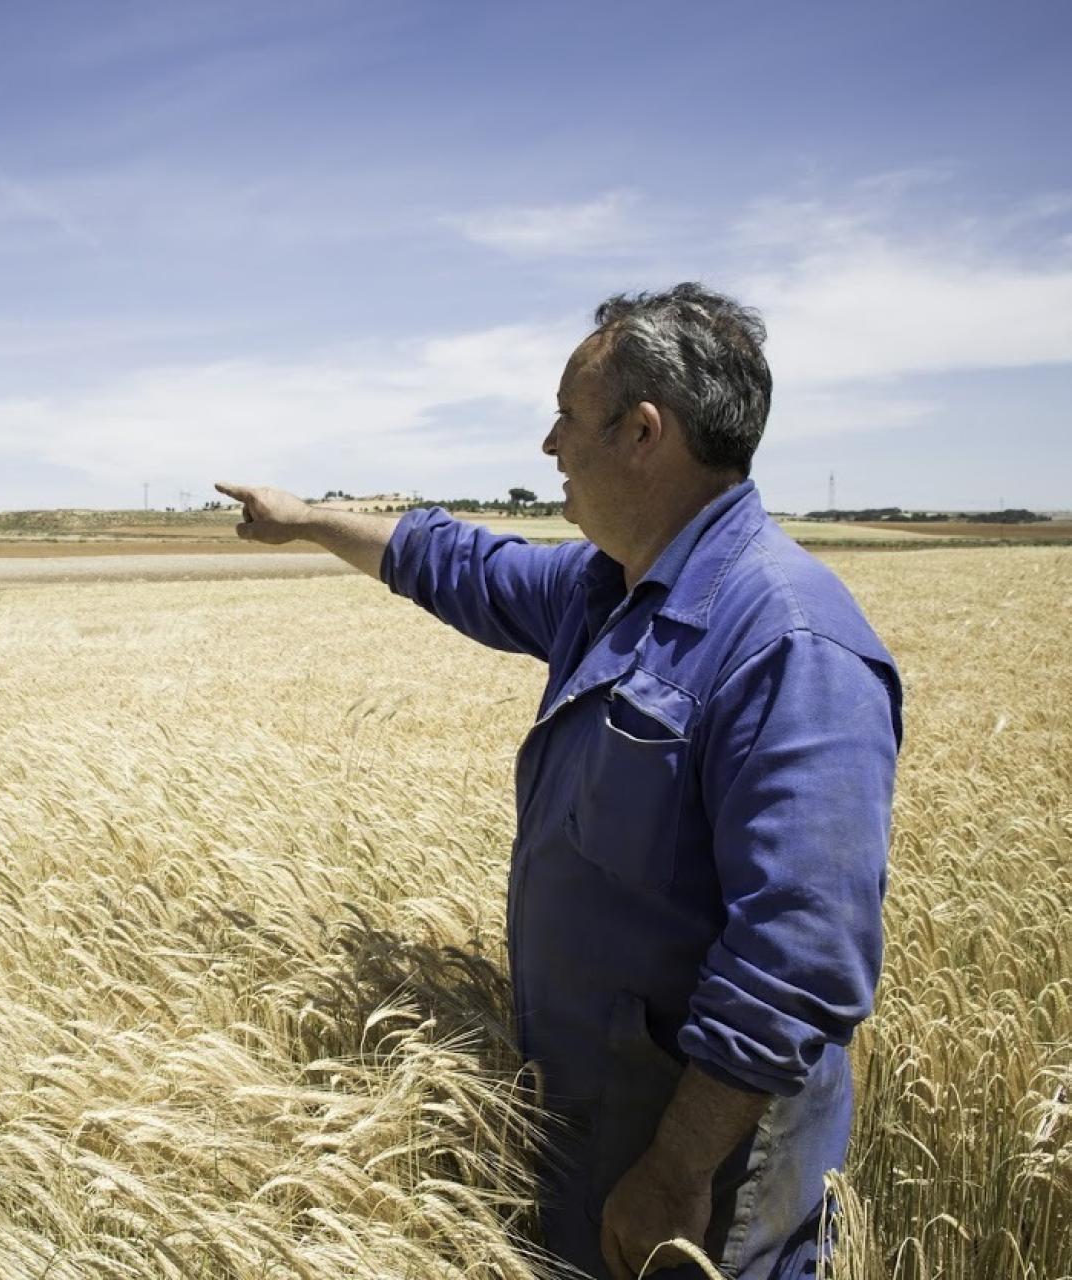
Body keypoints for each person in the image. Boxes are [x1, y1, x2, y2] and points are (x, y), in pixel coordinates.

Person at [215, 283, 902, 1280]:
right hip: (600, 1116)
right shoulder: (609, 586)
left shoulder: (785, 638)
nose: (547, 445)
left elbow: (800, 950)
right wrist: (305, 518)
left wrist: (675, 1161)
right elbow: (452, 563)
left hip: (705, 1165)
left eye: (565, 418)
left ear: (640, 432)